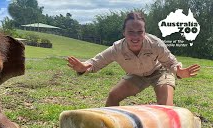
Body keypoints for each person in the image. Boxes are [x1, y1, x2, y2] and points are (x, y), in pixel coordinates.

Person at [67, 12, 200, 106]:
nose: (135, 36)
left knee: (165, 107)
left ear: (144, 32)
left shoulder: (155, 44)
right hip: (136, 76)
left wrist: (179, 72)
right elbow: (96, 62)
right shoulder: (117, 49)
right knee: (113, 95)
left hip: (160, 72)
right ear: (124, 32)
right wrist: (83, 67)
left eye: (140, 32)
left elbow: (171, 62)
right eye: (131, 32)